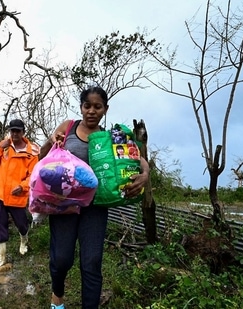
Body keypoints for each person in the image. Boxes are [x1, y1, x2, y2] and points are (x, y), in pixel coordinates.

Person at [38, 86, 150, 309]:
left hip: (95, 207)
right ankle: (57, 294)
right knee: (62, 259)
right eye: (87, 105)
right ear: (81, 107)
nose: (91, 111)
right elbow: (43, 157)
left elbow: (136, 158)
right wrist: (52, 141)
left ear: (105, 110)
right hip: (64, 204)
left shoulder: (110, 137)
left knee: (91, 262)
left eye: (97, 107)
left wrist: (145, 174)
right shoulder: (67, 128)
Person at [0, 119, 40, 268]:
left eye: (18, 131)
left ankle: (24, 240)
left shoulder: (31, 153)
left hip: (17, 195)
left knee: (21, 223)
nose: (14, 134)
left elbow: (33, 175)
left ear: (23, 132)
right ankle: (0, 259)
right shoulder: (4, 147)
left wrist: (22, 187)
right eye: (12, 131)